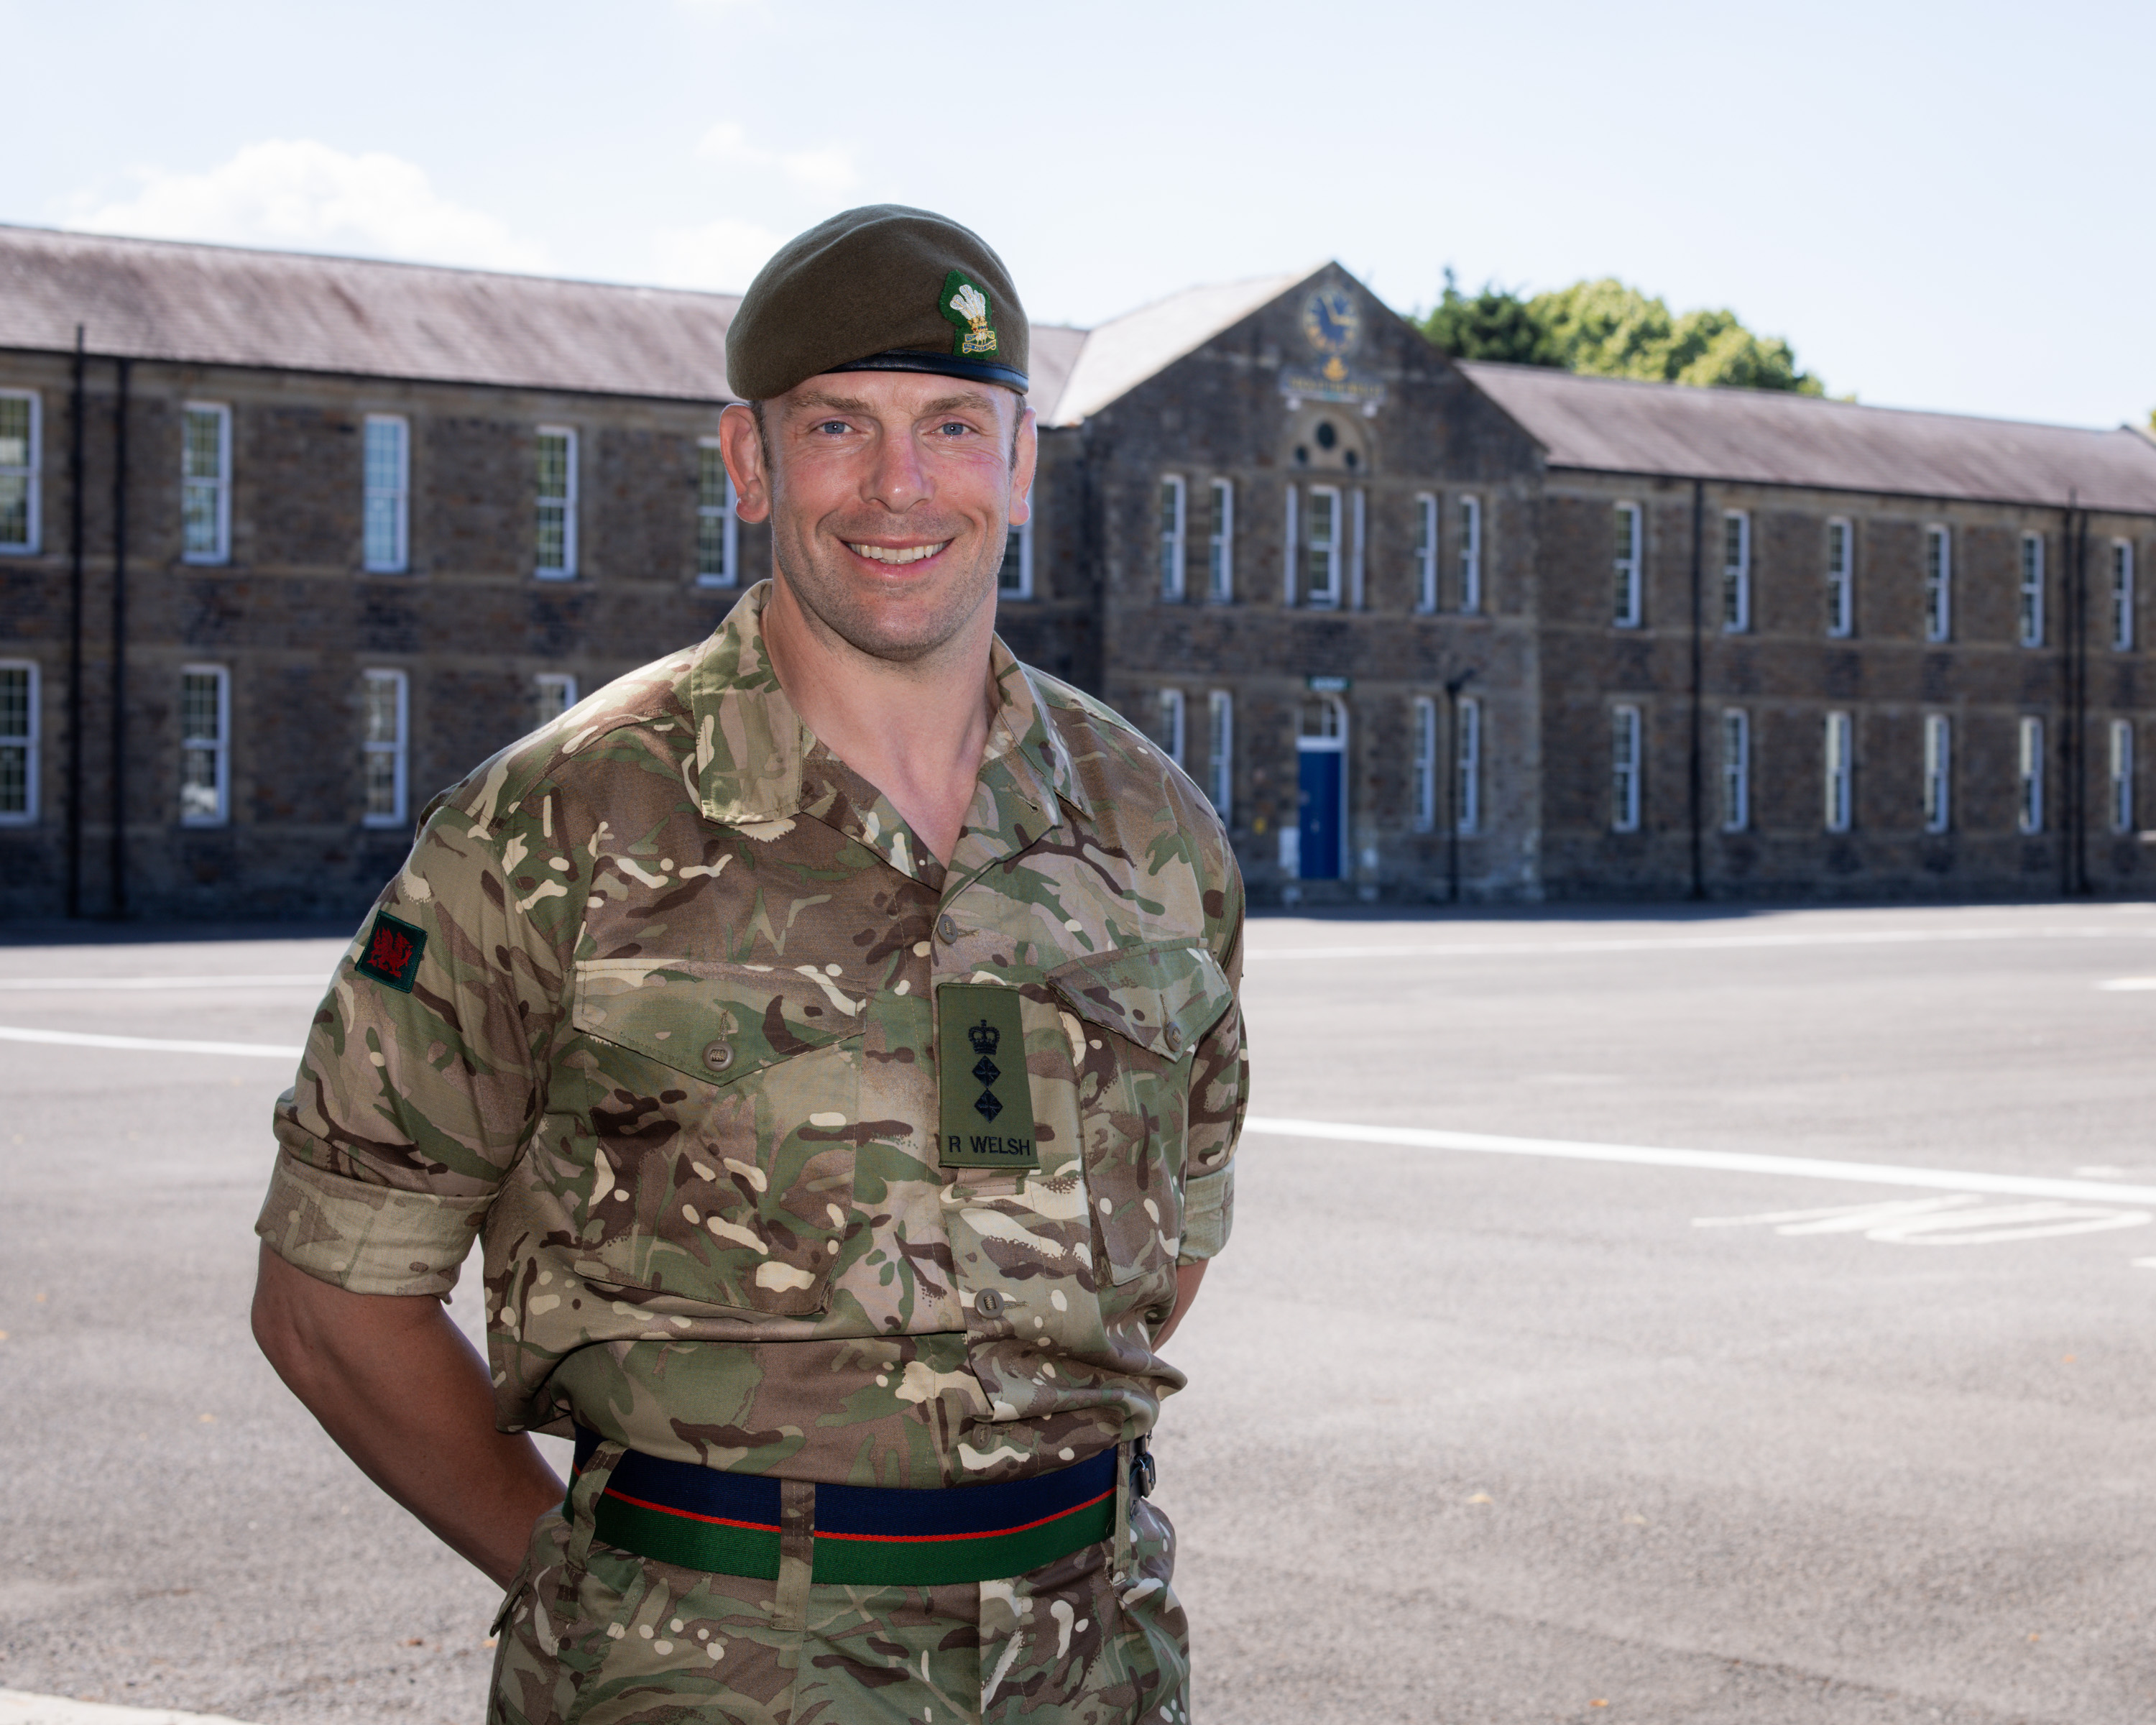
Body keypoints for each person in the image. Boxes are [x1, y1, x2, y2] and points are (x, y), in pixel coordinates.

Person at [250, 204, 1247, 1725]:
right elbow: (330, 1298)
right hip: (694, 1682)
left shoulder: (1153, 833)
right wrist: (595, 1588)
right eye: (838, 424)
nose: (899, 485)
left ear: (1022, 465)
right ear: (748, 462)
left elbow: (1159, 1260)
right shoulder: (557, 822)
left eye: (953, 427)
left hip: (1091, 1669)